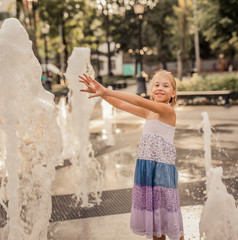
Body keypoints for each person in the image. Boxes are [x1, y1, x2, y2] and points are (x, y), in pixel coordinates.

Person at [79, 70, 184, 240]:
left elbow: (137, 100)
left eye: (165, 86)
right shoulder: (150, 113)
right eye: (156, 85)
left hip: (161, 171)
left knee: (168, 218)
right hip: (146, 169)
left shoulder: (167, 111)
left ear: (173, 93)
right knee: (156, 224)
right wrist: (102, 94)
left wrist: (106, 90)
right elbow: (121, 104)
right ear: (151, 89)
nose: (159, 88)